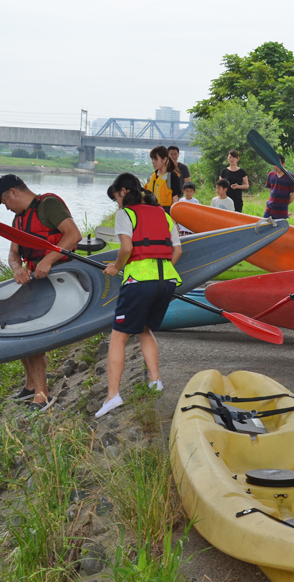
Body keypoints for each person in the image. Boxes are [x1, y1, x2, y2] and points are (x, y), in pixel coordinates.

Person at [96, 173, 182, 418]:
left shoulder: (126, 214)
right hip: (166, 282)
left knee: (118, 337)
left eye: (116, 199)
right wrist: (161, 271)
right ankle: (155, 382)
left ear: (123, 191)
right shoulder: (163, 214)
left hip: (138, 283)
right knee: (144, 328)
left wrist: (116, 267)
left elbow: (126, 248)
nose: (117, 204)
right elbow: (177, 250)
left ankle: (113, 396)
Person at [0, 174, 82, 410]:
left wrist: (49, 260)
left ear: (14, 192)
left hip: (63, 281)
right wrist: (17, 268)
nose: (6, 207)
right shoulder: (18, 221)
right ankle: (31, 385)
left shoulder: (49, 205)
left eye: (4, 202)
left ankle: (42, 396)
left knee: (31, 332)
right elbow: (13, 254)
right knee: (17, 325)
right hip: (37, 282)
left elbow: (74, 235)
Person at [144, 146, 182, 215]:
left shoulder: (172, 176)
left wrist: (173, 218)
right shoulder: (151, 176)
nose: (153, 162)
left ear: (164, 159)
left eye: (155, 159)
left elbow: (175, 199)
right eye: (152, 159)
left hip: (166, 213)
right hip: (150, 212)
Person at [264, 154, 294, 220]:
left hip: (282, 212)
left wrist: (285, 203)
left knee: (279, 229)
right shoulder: (271, 175)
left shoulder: (290, 176)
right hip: (269, 209)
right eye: (274, 164)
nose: (275, 167)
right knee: (264, 227)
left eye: (277, 164)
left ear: (283, 164)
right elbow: (270, 188)